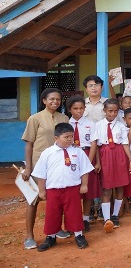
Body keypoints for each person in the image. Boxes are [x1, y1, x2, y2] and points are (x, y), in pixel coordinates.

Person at [32, 123, 94, 251]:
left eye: (71, 136)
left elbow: (84, 170)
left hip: (72, 189)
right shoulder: (47, 153)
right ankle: (50, 237)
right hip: (53, 190)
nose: (70, 139)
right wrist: (41, 190)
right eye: (66, 137)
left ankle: (78, 235)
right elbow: (41, 174)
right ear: (56, 138)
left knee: (74, 212)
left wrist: (84, 184)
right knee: (52, 214)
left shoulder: (78, 152)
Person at [21, 88, 70, 249]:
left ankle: (56, 229)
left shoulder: (64, 118)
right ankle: (29, 235)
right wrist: (28, 167)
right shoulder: (35, 119)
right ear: (44, 100)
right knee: (33, 200)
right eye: (51, 99)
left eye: (58, 99)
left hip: (59, 164)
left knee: (57, 198)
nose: (55, 102)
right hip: (38, 165)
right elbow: (29, 144)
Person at [93, 98, 131, 233]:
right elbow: (97, 146)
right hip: (105, 155)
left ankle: (115, 215)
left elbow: (125, 144)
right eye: (110, 111)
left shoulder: (121, 126)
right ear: (104, 110)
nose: (112, 114)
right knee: (106, 188)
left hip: (119, 155)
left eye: (115, 111)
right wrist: (98, 162)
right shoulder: (98, 125)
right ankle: (106, 218)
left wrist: (130, 160)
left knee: (119, 187)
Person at [66, 95, 100, 232]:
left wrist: (91, 162)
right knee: (73, 191)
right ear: (70, 110)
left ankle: (86, 219)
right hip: (72, 157)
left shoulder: (91, 123)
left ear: (85, 109)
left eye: (81, 108)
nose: (78, 111)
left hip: (87, 154)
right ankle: (73, 220)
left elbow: (94, 143)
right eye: (75, 109)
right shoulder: (67, 124)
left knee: (88, 191)